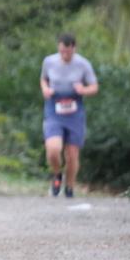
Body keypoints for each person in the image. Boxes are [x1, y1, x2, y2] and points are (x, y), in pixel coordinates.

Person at [40, 33, 98, 198]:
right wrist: (45, 89)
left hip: (74, 109)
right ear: (59, 48)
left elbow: (94, 86)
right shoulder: (49, 61)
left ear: (74, 48)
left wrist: (84, 90)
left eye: (68, 52)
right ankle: (57, 174)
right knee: (53, 149)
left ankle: (70, 187)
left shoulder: (83, 64)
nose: (65, 55)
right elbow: (43, 79)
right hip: (54, 107)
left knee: (72, 154)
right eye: (62, 52)